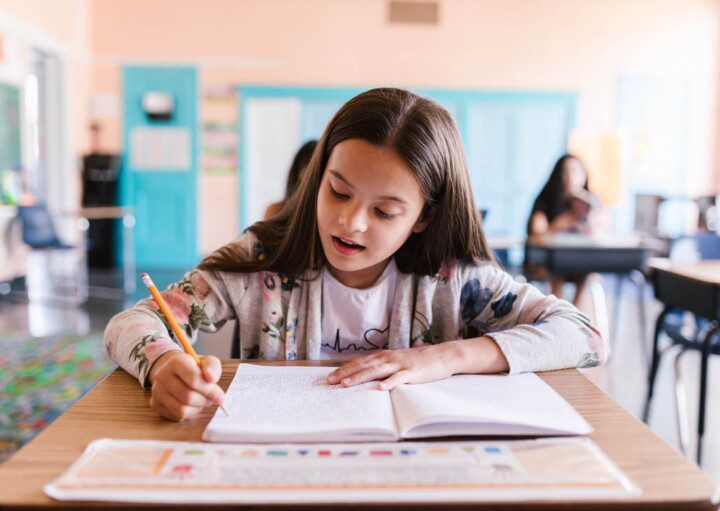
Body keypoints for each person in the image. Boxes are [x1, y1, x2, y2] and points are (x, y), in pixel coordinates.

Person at [104, 89, 606, 422]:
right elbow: (132, 322)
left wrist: (446, 357)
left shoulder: (453, 275)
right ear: (317, 176)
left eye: (385, 211)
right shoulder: (264, 258)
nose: (350, 223)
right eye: (338, 192)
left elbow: (586, 335)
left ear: (424, 217)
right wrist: (165, 362)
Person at [526, 154, 603, 304]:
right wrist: (556, 226)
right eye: (566, 171)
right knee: (559, 267)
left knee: (585, 270)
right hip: (550, 263)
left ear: (584, 175)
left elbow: (602, 233)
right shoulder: (546, 201)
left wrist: (593, 224)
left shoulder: (591, 203)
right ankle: (560, 312)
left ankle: (573, 313)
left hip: (580, 263)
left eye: (575, 171)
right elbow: (536, 231)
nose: (570, 177)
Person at [263, 140, 317, 220]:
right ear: (300, 171)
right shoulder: (276, 211)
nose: (317, 176)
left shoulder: (321, 214)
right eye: (312, 168)